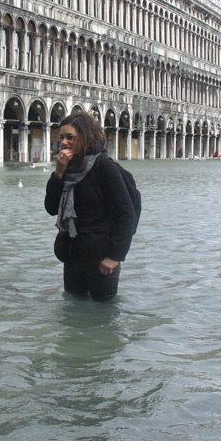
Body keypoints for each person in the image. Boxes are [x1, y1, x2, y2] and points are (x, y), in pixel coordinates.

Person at [44, 111, 136, 301]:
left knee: (104, 308)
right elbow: (51, 208)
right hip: (73, 251)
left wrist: (115, 256)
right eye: (62, 137)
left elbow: (127, 213)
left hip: (102, 255)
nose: (64, 142)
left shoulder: (104, 166)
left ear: (85, 137)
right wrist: (58, 174)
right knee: (73, 304)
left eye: (70, 137)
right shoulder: (67, 167)